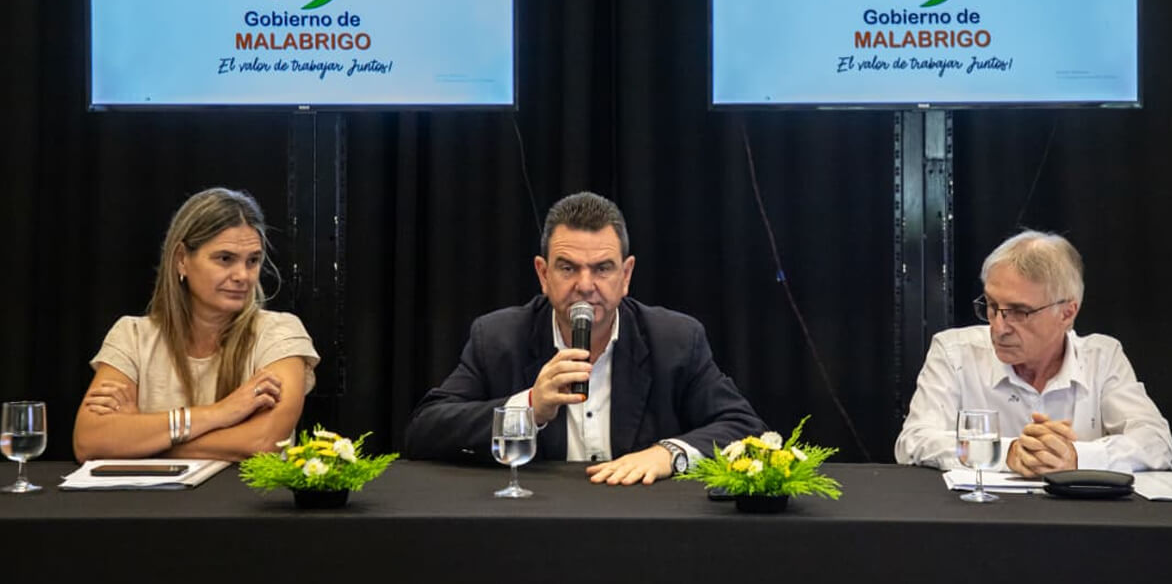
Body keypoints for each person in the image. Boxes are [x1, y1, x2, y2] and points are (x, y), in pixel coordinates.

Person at [405, 191, 764, 485]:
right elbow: (424, 430)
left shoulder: (675, 339)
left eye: (602, 268)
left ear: (626, 275)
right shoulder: (499, 337)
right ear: (543, 275)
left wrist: (669, 453)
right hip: (536, 524)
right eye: (567, 268)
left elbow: (744, 426)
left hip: (641, 524)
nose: (586, 286)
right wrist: (529, 408)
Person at [895, 230, 1172, 477]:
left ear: (1067, 313)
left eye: (1018, 312)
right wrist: (1008, 453)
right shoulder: (955, 353)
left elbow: (1157, 443)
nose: (998, 327)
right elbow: (914, 441)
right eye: (992, 305)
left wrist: (1076, 457)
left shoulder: (1102, 358)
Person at [73, 188, 320, 462]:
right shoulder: (131, 335)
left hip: (247, 502)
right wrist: (222, 413)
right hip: (149, 505)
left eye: (253, 261)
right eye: (225, 259)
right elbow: (90, 441)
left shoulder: (280, 334)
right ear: (181, 259)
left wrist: (143, 438)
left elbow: (264, 442)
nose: (242, 275)